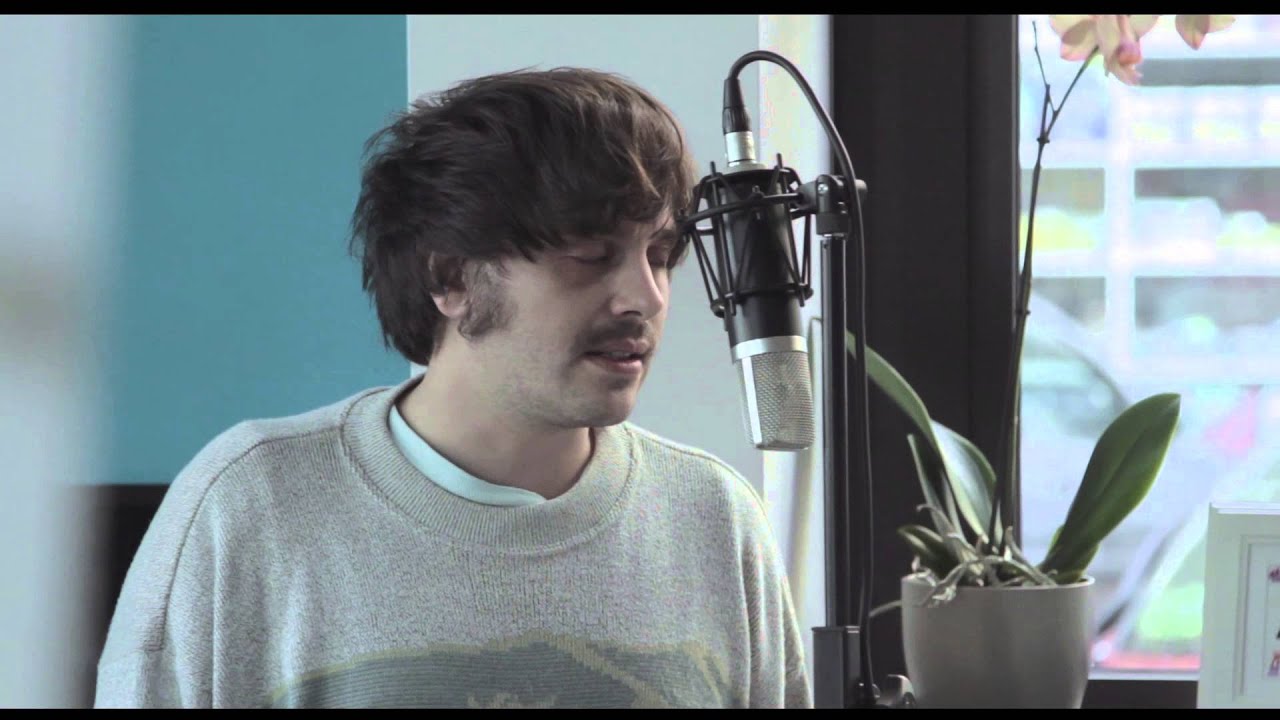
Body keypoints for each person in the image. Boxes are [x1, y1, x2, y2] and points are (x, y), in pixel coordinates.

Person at [94, 66, 812, 709]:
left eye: (659, 255)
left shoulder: (714, 518)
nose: (646, 297)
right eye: (591, 255)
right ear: (451, 278)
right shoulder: (252, 505)